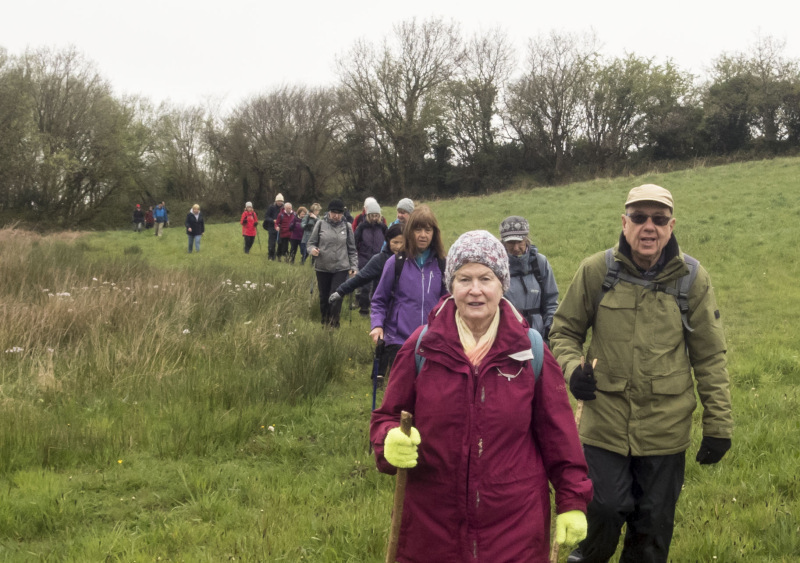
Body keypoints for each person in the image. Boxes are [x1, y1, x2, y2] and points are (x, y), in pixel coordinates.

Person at [370, 230, 592, 562]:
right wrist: (388, 440)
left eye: (486, 278)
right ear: (451, 285)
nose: (475, 290)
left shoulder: (531, 350)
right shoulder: (422, 346)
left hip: (515, 529)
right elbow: (387, 416)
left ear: (503, 284)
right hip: (432, 529)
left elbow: (560, 437)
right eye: (464, 278)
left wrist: (572, 502)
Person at [549, 184, 733, 563]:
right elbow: (563, 331)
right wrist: (571, 370)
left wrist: (719, 424)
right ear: (624, 222)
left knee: (651, 528)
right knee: (604, 510)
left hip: (665, 428)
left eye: (659, 219)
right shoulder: (597, 271)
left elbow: (710, 355)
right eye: (639, 217)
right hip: (604, 425)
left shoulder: (692, 279)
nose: (649, 227)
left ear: (671, 225)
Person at [370, 205, 447, 379]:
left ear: (434, 233)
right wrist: (377, 325)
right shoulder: (395, 262)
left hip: (432, 341)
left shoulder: (442, 264)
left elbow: (448, 302)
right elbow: (379, 300)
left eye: (428, 230)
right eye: (418, 229)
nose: (423, 235)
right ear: (409, 231)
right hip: (398, 340)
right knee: (399, 397)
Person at [499, 215, 559, 340]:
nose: (516, 248)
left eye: (519, 242)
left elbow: (551, 301)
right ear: (503, 243)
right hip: (508, 337)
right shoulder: (497, 266)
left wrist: (549, 330)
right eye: (510, 243)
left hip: (540, 337)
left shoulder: (539, 262)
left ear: (526, 239)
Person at [307, 199, 358, 328]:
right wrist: (312, 250)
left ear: (343, 213)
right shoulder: (320, 224)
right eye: (333, 212)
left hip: (341, 267)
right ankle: (324, 321)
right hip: (322, 267)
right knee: (324, 296)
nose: (336, 216)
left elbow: (352, 249)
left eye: (339, 213)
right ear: (328, 212)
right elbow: (310, 243)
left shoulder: (347, 227)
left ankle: (334, 323)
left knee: (335, 295)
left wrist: (353, 267)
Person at [329, 222, 404, 308]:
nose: (399, 247)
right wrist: (341, 291)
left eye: (402, 243)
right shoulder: (380, 259)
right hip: (384, 305)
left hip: (406, 306)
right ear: (388, 241)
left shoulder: (412, 259)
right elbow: (361, 277)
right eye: (395, 242)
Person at [354, 199, 387, 316]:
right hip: (364, 259)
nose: (374, 218)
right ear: (368, 215)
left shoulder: (383, 228)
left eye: (376, 216)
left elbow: (388, 242)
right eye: (372, 215)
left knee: (378, 286)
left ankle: (376, 309)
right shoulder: (361, 227)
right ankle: (363, 308)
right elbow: (354, 242)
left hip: (379, 259)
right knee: (365, 286)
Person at [263, 193, 284, 260]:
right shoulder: (271, 207)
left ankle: (279, 255)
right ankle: (271, 255)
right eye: (278, 201)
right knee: (271, 243)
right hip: (272, 227)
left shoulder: (284, 208)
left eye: (281, 201)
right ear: (276, 201)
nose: (280, 202)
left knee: (280, 243)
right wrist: (273, 220)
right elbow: (266, 217)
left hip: (281, 228)